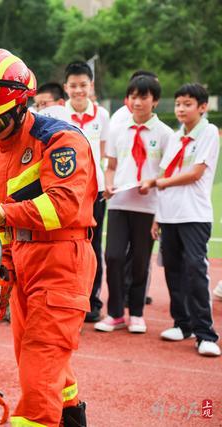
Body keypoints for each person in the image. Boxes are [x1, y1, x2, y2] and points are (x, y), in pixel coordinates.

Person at [0, 49, 96, 426]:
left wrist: (2, 214)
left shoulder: (60, 140)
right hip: (22, 261)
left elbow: (63, 206)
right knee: (35, 357)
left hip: (62, 259)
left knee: (40, 365)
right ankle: (72, 419)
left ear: (22, 105)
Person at [96, 75, 172, 333]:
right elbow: (112, 166)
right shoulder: (118, 129)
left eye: (143, 97)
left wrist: (152, 183)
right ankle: (115, 313)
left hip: (148, 206)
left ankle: (137, 312)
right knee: (113, 256)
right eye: (133, 97)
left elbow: (166, 174)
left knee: (140, 260)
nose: (137, 102)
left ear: (155, 101)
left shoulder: (165, 134)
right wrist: (108, 183)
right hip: (118, 203)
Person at [152, 83, 220, 357]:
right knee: (173, 270)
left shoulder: (209, 132)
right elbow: (166, 174)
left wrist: (159, 182)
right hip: (169, 216)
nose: (181, 108)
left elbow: (195, 173)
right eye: (178, 103)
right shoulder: (177, 136)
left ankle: (205, 334)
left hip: (194, 215)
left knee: (195, 270)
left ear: (202, 107)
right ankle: (182, 323)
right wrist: (157, 217)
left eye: (188, 104)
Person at [64, 61, 110, 323]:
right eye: (73, 86)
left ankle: (92, 301)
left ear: (91, 86)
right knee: (66, 247)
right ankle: (70, 300)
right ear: (66, 87)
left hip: (95, 191)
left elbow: (102, 152)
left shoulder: (102, 115)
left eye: (83, 85)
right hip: (67, 192)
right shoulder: (59, 115)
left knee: (93, 246)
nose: (78, 91)